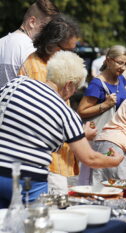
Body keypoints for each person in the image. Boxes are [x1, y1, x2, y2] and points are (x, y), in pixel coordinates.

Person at [0, 51, 124, 208]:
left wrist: (81, 134)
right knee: (32, 227)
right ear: (69, 85)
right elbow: (90, 158)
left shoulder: (17, 83)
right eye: (76, 88)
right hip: (29, 181)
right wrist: (115, 160)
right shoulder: (66, 113)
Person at [18, 14, 80, 194]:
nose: (72, 56)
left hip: (56, 161)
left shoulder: (46, 64)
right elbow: (42, 119)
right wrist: (76, 133)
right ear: (51, 45)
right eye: (69, 50)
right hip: (49, 164)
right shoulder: (38, 69)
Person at [0, 0, 59, 88]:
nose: (48, 33)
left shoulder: (2, 42)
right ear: (32, 22)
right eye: (46, 27)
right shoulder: (32, 51)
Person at [77, 45, 126, 132]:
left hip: (119, 132)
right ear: (109, 61)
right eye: (120, 63)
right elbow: (81, 111)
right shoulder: (97, 84)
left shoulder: (121, 78)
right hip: (101, 135)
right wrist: (106, 104)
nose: (123, 68)